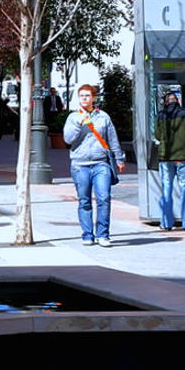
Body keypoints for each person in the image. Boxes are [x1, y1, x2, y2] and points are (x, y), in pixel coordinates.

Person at [64, 83, 125, 247]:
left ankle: (103, 234)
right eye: (81, 96)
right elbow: (68, 139)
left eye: (87, 96)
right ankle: (87, 234)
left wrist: (119, 158)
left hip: (100, 163)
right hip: (80, 165)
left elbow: (112, 139)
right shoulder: (73, 117)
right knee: (84, 201)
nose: (84, 98)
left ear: (94, 98)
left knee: (104, 198)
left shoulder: (103, 117)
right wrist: (79, 123)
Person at [155, 92, 185, 231]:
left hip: (166, 157)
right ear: (178, 101)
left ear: (166, 102)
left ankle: (166, 223)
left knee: (166, 189)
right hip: (183, 156)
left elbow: (157, 134)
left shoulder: (161, 115)